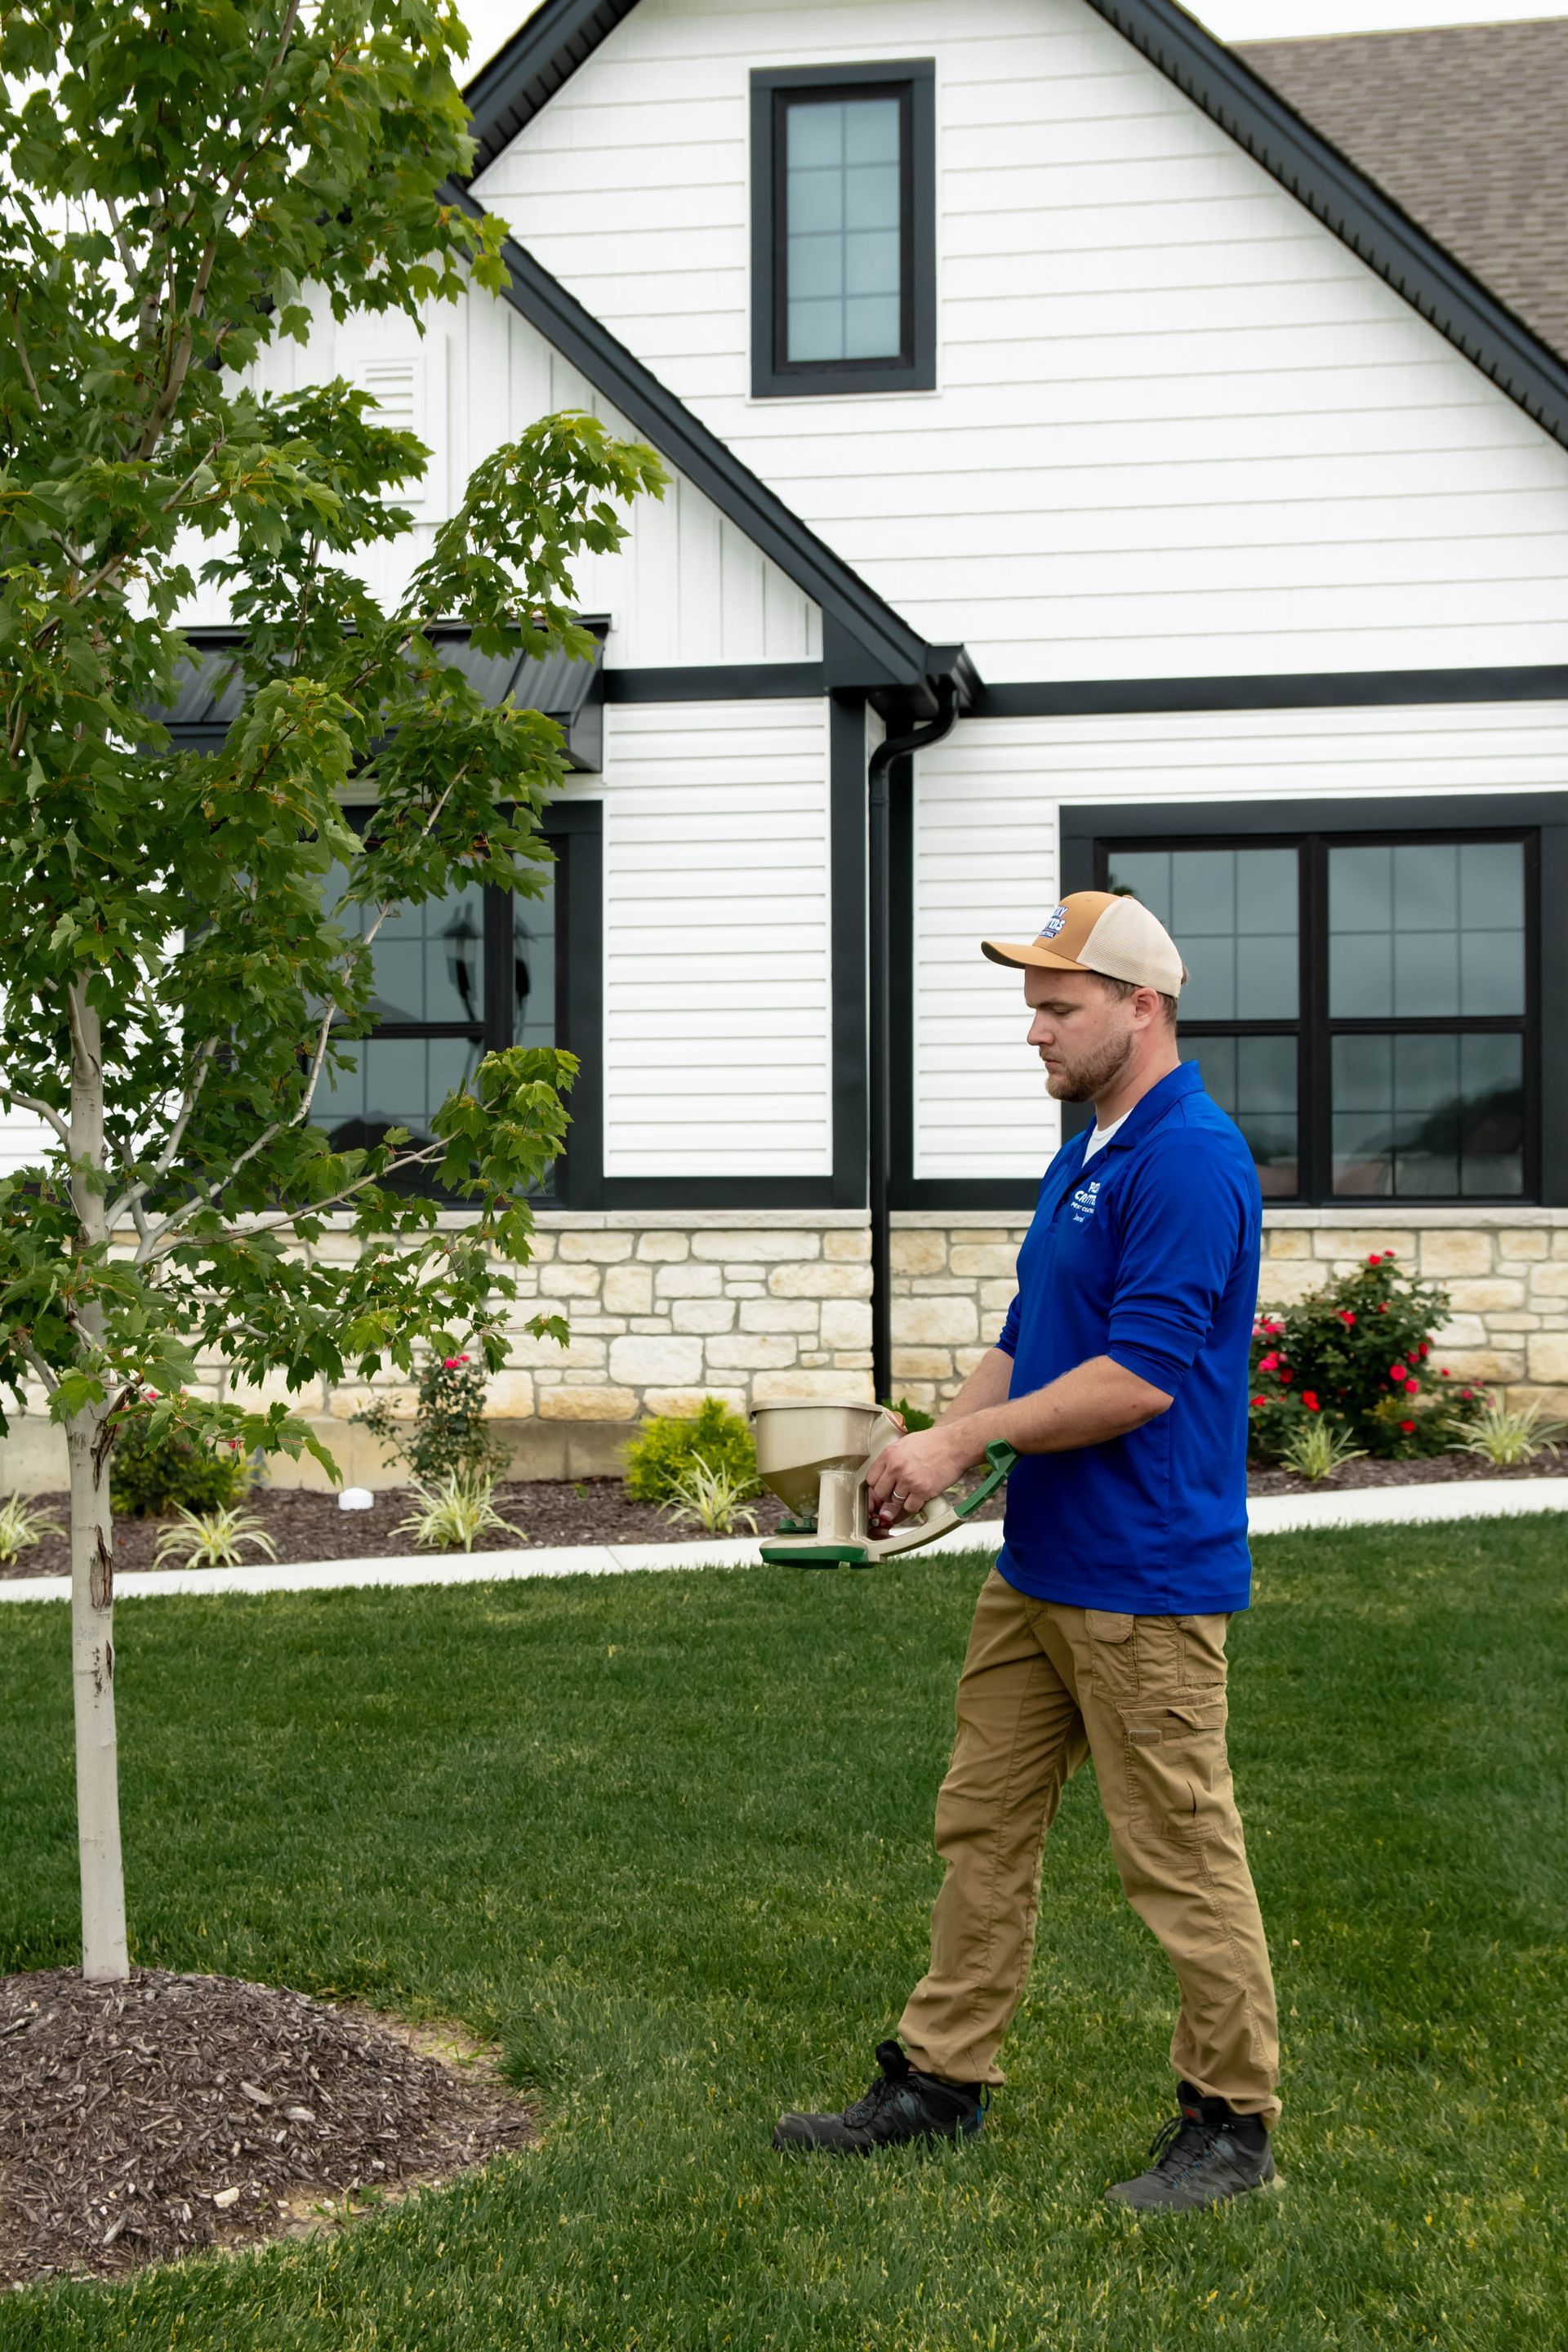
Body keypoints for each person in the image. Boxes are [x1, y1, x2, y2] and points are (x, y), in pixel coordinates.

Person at [773, 890, 1281, 2211]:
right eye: (1033, 1009)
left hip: (1144, 1581)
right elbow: (1027, 1341)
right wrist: (926, 1455)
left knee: (1179, 1859)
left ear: (1141, 1008)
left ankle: (1231, 2122)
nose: (1036, 1034)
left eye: (1059, 1009)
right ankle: (942, 2080)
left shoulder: (1187, 1160)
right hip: (1040, 1569)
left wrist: (964, 1446)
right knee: (981, 1827)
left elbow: (1140, 1380)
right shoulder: (1091, 1153)